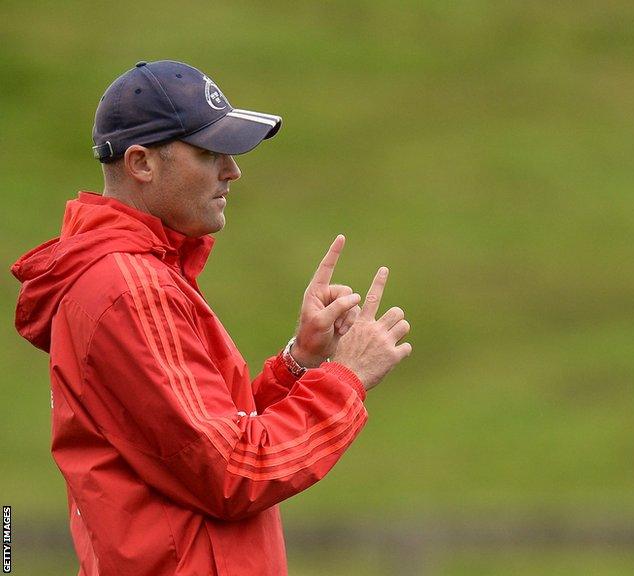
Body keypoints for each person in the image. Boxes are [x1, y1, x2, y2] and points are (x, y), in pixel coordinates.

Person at [11, 60, 412, 575]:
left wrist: (299, 363)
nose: (232, 170)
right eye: (209, 152)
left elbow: (200, 442)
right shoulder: (130, 288)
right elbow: (235, 472)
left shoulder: (132, 276)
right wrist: (347, 378)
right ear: (140, 163)